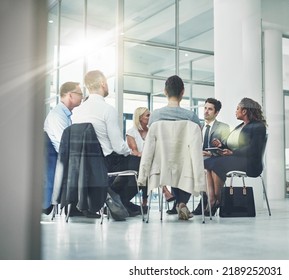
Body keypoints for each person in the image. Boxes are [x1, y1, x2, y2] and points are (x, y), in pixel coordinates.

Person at [71, 70, 140, 216]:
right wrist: (130, 152)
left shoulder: (76, 112)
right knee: (140, 163)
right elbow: (118, 146)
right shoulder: (108, 110)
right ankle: (117, 199)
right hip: (105, 163)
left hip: (83, 165)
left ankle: (116, 199)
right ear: (103, 84)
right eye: (107, 83)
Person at [148, 75, 201, 220]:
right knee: (184, 164)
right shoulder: (191, 116)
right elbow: (198, 140)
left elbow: (151, 139)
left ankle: (178, 203)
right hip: (184, 165)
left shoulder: (155, 116)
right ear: (182, 92)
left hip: (162, 163)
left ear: (165, 92)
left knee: (173, 165)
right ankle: (182, 202)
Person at [204, 97, 267, 216]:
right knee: (208, 162)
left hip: (249, 163)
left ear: (244, 111)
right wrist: (221, 145)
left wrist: (233, 153)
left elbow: (253, 149)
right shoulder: (240, 126)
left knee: (216, 163)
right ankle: (212, 199)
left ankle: (218, 200)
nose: (235, 111)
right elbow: (232, 145)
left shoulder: (258, 126)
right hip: (237, 159)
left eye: (238, 108)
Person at [42, 81, 83, 215]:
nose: (82, 96)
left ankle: (80, 206)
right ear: (70, 95)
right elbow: (63, 145)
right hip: (60, 158)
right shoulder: (58, 115)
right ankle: (80, 207)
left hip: (61, 156)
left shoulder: (64, 115)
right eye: (80, 93)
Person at [192, 97, 230, 215]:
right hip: (200, 158)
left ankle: (211, 200)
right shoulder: (199, 127)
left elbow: (225, 147)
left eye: (210, 109)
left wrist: (211, 153)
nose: (206, 111)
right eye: (205, 108)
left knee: (208, 165)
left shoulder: (223, 127)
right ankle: (211, 200)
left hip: (216, 159)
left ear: (216, 112)